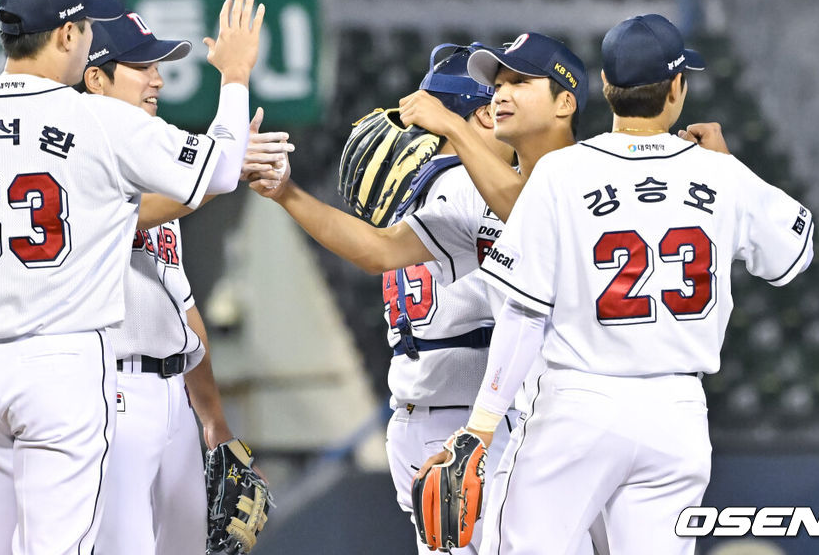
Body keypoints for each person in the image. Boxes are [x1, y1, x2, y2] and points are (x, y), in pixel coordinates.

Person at [0, 0, 263, 555]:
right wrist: (233, 76)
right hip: (59, 366)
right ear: (69, 34)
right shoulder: (93, 119)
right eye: (88, 30)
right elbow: (221, 169)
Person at [418, 14, 815, 554]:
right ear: (678, 88)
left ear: (605, 87)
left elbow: (524, 315)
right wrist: (727, 168)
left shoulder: (561, 173)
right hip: (677, 416)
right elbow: (794, 252)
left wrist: (480, 427)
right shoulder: (722, 174)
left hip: (578, 406)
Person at [247, 38, 582, 554]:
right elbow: (535, 214)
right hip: (467, 419)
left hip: (425, 416)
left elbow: (378, 251)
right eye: (495, 97)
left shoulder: (431, 188)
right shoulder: (466, 185)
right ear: (483, 117)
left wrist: (288, 193)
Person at [76, 11, 286, 555]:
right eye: (141, 66)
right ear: (94, 77)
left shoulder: (157, 162)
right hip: (109, 393)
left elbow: (183, 310)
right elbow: (129, 210)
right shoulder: (75, 151)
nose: (157, 79)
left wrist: (214, 421)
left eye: (157, 65)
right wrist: (223, 168)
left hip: (171, 398)